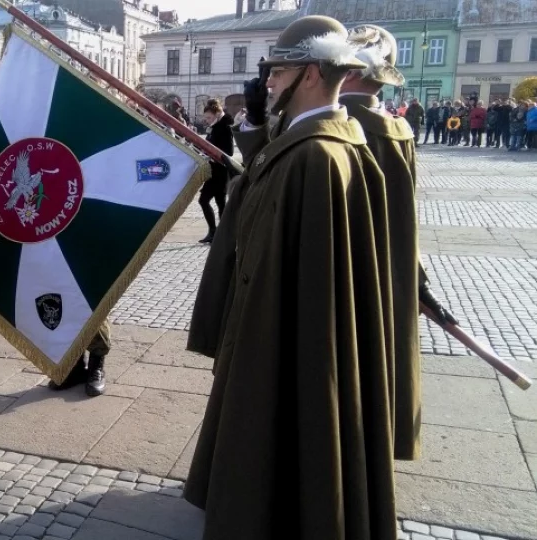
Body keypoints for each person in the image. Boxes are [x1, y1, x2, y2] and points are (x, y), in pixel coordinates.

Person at [184, 16, 396, 540]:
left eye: (278, 70)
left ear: (309, 74)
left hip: (282, 328)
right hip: (267, 313)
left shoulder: (319, 155)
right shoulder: (311, 139)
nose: (269, 81)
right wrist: (255, 122)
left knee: (281, 418)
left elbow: (311, 281)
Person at [342, 24, 457, 461]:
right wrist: (417, 279)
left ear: (350, 72)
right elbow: (403, 221)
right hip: (385, 266)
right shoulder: (397, 127)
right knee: (376, 352)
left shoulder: (339, 123)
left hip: (341, 263)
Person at [197, 99, 233, 243]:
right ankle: (218, 233)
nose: (206, 120)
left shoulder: (224, 127)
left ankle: (217, 232)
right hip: (214, 172)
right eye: (205, 118)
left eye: (209, 117)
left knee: (205, 200)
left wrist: (211, 153)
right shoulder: (215, 126)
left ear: (217, 114)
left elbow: (229, 151)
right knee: (220, 204)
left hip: (220, 172)